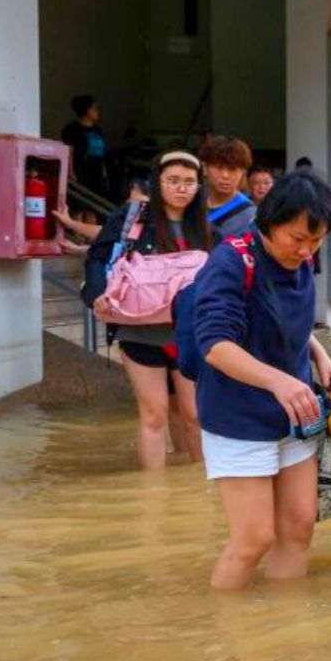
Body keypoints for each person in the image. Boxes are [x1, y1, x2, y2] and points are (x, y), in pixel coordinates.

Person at [194, 169, 331, 590]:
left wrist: (320, 357)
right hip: (238, 419)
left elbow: (287, 325)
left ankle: (285, 632)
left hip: (295, 414)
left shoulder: (301, 260)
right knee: (253, 539)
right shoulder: (230, 261)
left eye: (316, 240)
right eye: (297, 238)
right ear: (269, 220)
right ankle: (225, 630)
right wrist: (279, 382)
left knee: (298, 529)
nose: (307, 249)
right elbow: (214, 344)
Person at [81, 152, 213, 469]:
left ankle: (199, 494)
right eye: (172, 181)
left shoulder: (206, 227)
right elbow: (97, 257)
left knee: (195, 414)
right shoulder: (132, 217)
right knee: (153, 416)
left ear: (198, 186)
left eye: (189, 182)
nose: (181, 188)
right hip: (139, 332)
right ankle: (153, 498)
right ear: (157, 183)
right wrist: (97, 294)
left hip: (189, 335)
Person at [199, 135, 257, 239]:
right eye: (219, 167)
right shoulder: (190, 200)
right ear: (205, 168)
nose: (225, 175)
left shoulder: (250, 216)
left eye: (233, 169)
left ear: (243, 172)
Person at [61, 94, 110, 203]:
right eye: (94, 109)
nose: (97, 112)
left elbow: (103, 152)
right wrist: (70, 171)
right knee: (79, 205)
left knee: (94, 206)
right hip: (81, 170)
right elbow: (69, 150)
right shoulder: (72, 129)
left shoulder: (98, 130)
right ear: (86, 110)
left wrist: (104, 171)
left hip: (96, 171)